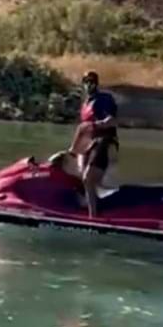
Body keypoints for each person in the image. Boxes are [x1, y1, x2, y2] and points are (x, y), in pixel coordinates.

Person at [67, 71, 118, 218]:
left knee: (88, 179)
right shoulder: (86, 104)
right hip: (88, 143)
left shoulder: (104, 99)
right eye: (86, 82)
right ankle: (89, 205)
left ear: (96, 83)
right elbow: (82, 129)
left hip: (103, 141)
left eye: (92, 82)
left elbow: (112, 120)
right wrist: (73, 150)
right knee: (79, 175)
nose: (89, 84)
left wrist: (100, 124)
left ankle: (93, 217)